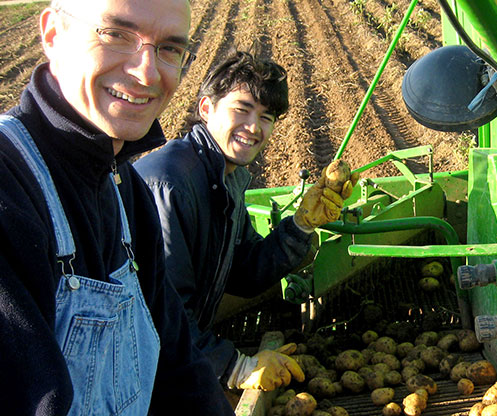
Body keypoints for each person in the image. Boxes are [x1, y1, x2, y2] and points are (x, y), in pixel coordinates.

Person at [0, 0, 236, 413]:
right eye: (116, 35)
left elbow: (179, 368)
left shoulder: (124, 185)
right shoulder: (10, 187)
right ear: (54, 34)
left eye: (170, 49)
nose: (147, 72)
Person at [134, 51, 358, 391]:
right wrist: (237, 367)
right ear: (206, 108)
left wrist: (301, 225)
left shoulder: (227, 178)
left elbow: (243, 273)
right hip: (138, 375)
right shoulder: (170, 184)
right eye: (241, 109)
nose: (254, 128)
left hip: (172, 362)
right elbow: (160, 313)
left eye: (266, 117)